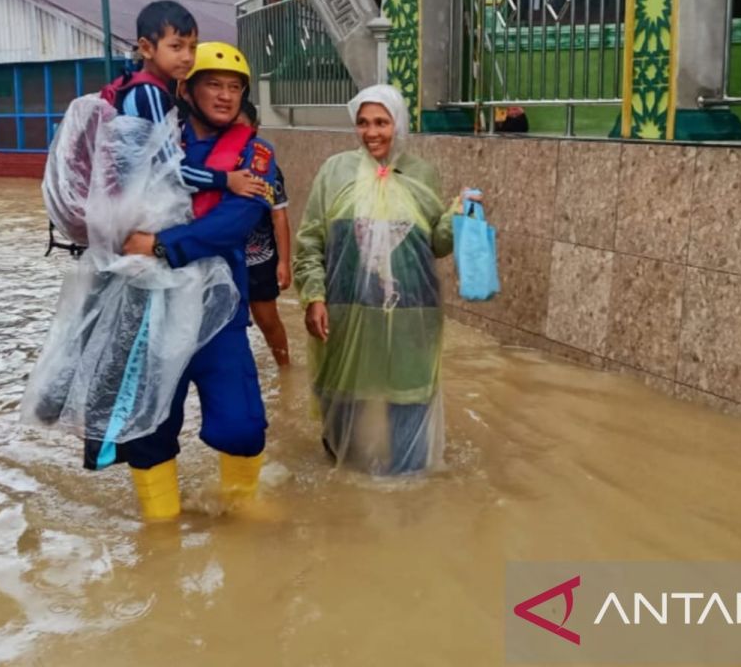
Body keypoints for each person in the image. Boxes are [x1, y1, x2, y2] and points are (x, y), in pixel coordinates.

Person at [120, 43, 278, 521]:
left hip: (219, 316)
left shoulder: (255, 153)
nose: (226, 96)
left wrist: (162, 244)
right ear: (186, 88)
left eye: (235, 88)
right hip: (153, 310)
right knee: (150, 431)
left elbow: (238, 220)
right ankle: (160, 534)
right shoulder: (155, 141)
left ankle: (242, 515)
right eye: (214, 84)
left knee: (243, 424)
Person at [293, 84, 480, 476]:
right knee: (342, 402)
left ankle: (407, 498)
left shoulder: (420, 174)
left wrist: (458, 216)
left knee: (408, 399)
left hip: (410, 314)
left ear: (400, 124)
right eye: (362, 123)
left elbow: (436, 245)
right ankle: (346, 490)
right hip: (345, 311)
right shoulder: (335, 171)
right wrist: (313, 297)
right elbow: (311, 239)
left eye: (382, 122)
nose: (371, 132)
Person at [100, 0, 264, 200]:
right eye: (176, 47)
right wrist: (226, 179)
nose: (187, 57)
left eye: (192, 47)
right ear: (146, 48)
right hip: (134, 207)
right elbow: (170, 169)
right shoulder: (149, 93)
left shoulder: (136, 86)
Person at [237, 100, 292, 367]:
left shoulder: (268, 169)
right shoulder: (212, 164)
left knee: (268, 320)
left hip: (259, 258)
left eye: (242, 129)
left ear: (255, 129)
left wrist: (283, 261)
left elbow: (279, 215)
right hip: (225, 258)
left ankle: (285, 367)